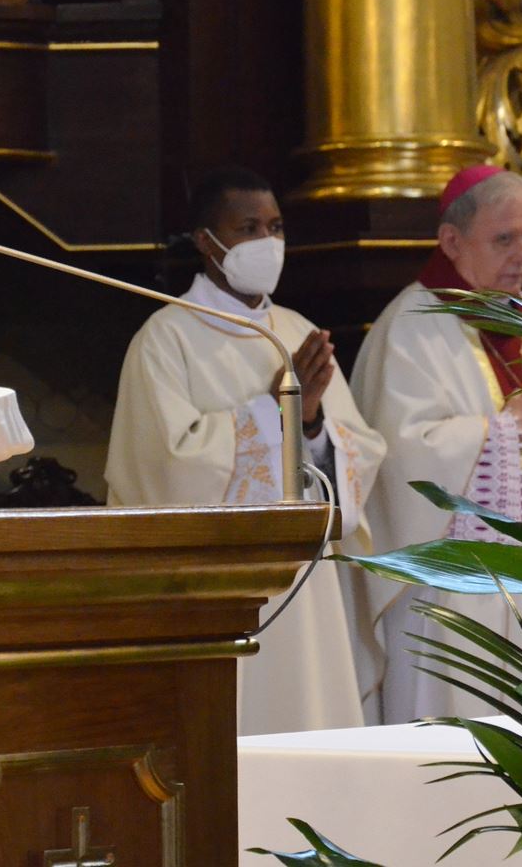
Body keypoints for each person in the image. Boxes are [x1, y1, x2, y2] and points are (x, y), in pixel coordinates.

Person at [104, 166, 386, 734]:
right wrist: (274, 412)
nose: (268, 243)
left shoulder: (298, 329)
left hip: (307, 585)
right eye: (249, 228)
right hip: (221, 588)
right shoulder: (167, 338)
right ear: (207, 243)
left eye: (277, 227)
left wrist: (309, 425)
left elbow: (357, 453)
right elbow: (168, 466)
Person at [350, 165, 522, 724]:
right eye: (503, 239)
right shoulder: (410, 329)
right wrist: (502, 430)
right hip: (459, 603)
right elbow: (397, 462)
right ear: (452, 241)